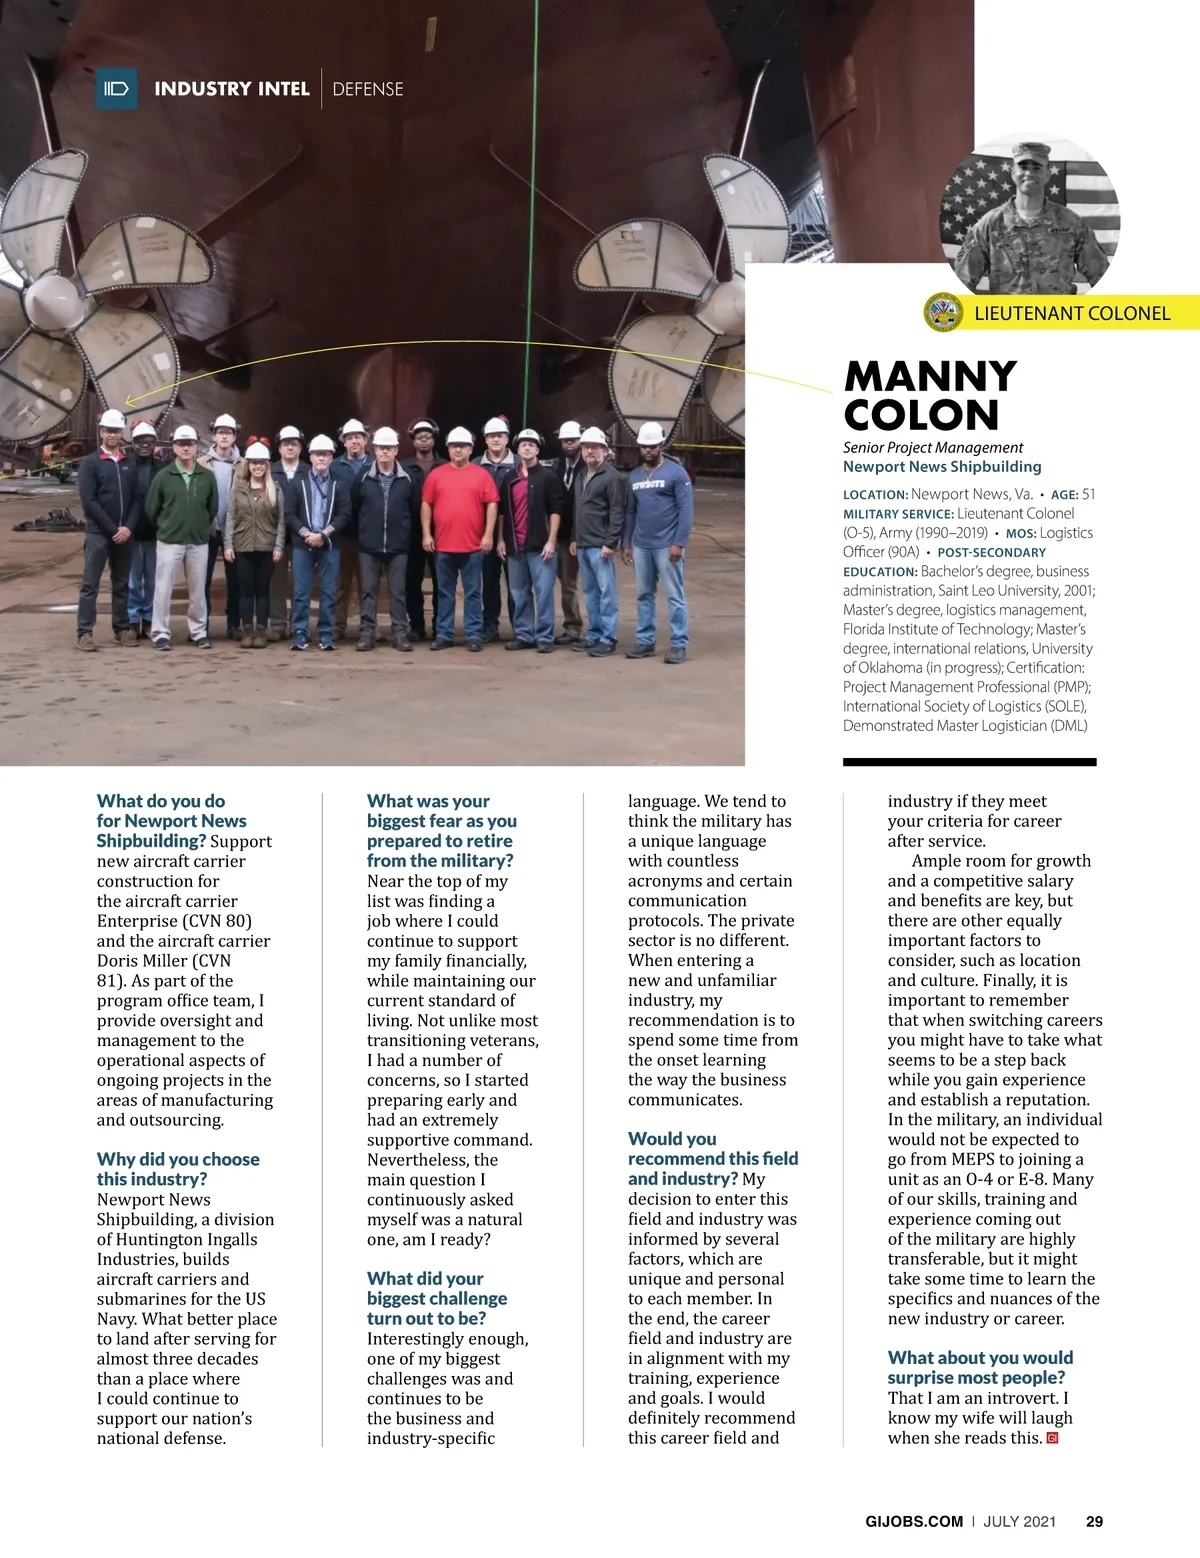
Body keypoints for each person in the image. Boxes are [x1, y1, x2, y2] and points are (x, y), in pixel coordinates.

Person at [953, 141, 1110, 295]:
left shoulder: (1070, 222)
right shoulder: (990, 225)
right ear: (1013, 173)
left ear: (1048, 174)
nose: (1029, 173)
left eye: (1037, 168)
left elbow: (1103, 278)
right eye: (1023, 167)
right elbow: (962, 283)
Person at [621, 420, 694, 664]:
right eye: (644, 446)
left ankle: (679, 644)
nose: (648, 450)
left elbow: (686, 511)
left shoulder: (676, 473)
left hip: (667, 546)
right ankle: (645, 641)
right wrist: (626, 543)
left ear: (661, 445)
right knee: (644, 595)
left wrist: (679, 543)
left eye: (652, 446)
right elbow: (630, 512)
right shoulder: (634, 476)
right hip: (642, 546)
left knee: (674, 596)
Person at [421, 428, 499, 652]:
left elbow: (492, 503)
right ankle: (444, 634)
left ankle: (474, 634)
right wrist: (427, 533)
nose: (458, 450)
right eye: (454, 446)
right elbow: (426, 503)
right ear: (448, 449)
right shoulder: (437, 475)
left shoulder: (481, 474)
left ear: (470, 449)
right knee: (445, 592)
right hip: (443, 545)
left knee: (473, 592)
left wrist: (488, 534)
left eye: (462, 446)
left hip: (473, 546)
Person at [145, 426, 219, 649]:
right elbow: (151, 509)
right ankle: (160, 633)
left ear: (196, 446)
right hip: (169, 541)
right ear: (174, 447)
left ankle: (198, 631)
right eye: (181, 444)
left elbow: (212, 508)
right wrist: (167, 526)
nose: (185, 448)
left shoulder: (207, 477)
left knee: (198, 590)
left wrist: (199, 527)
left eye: (190, 444)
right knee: (163, 589)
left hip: (198, 541)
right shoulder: (163, 477)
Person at [352, 427, 422, 652]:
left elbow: (413, 508)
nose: (385, 452)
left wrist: (403, 532)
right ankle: (367, 633)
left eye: (389, 448)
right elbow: (355, 507)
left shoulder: (408, 478)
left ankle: (400, 633)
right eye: (381, 448)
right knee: (368, 591)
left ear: (396, 450)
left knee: (398, 592)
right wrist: (364, 532)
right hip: (369, 546)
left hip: (398, 545)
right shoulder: (363, 477)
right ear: (375, 449)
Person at [498, 430, 566, 653]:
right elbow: (502, 512)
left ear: (538, 449)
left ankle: (544, 636)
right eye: (523, 444)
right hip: (515, 546)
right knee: (518, 592)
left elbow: (556, 510)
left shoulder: (548, 477)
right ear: (517, 449)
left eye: (531, 444)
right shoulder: (510, 478)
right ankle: (524, 634)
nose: (527, 448)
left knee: (544, 592)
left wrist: (551, 541)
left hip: (541, 546)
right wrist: (501, 539)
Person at [75, 408, 136, 651]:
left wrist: (128, 527)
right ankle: (84, 632)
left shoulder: (128, 463)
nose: (113, 435)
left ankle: (121, 628)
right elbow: (89, 502)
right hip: (99, 534)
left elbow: (137, 499)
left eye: (117, 431)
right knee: (90, 585)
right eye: (109, 430)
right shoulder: (91, 463)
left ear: (122, 433)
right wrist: (113, 529)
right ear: (101, 432)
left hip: (124, 535)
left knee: (121, 584)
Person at [286, 434, 352, 651]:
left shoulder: (339, 484)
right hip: (302, 545)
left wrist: (324, 534)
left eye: (325, 454)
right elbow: (289, 514)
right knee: (301, 592)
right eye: (317, 454)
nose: (321, 458)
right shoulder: (298, 483)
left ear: (332, 457)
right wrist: (307, 534)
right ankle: (300, 633)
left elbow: (344, 514)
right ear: (311, 456)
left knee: (329, 592)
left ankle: (325, 634)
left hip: (329, 545)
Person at [569, 426, 626, 657]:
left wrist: (610, 542)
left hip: (600, 546)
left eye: (595, 447)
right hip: (583, 544)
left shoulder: (612, 477)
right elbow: (578, 509)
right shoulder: (581, 475)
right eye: (586, 447)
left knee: (606, 593)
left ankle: (608, 638)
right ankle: (594, 634)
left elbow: (617, 511)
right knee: (590, 592)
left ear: (604, 450)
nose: (590, 451)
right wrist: (574, 537)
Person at [223, 442, 285, 649]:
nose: (258, 466)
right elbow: (230, 517)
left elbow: (280, 521)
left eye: (261, 463)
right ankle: (247, 630)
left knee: (263, 591)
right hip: (243, 546)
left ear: (266, 465)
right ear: (248, 465)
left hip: (266, 547)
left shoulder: (275, 489)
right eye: (254, 463)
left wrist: (278, 546)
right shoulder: (238, 489)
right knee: (246, 591)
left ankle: (260, 631)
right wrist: (228, 545)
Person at [199, 413, 241, 640]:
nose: (224, 436)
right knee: (202, 579)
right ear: (214, 436)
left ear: (234, 436)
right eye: (220, 432)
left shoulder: (243, 465)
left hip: (234, 531)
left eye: (228, 433)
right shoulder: (202, 463)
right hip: (208, 529)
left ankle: (234, 624)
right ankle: (201, 625)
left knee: (235, 580)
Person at [402, 418, 445, 639]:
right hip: (411, 532)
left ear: (434, 439)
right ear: (414, 441)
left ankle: (440, 625)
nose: (424, 441)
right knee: (412, 581)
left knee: (441, 581)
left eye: (427, 437)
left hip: (441, 531)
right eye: (420, 437)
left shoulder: (445, 466)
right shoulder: (404, 467)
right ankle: (416, 625)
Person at [474, 415, 516, 641]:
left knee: (516, 582)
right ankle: (490, 625)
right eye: (491, 436)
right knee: (489, 580)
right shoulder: (475, 465)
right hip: (484, 533)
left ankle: (520, 626)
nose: (496, 440)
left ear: (507, 438)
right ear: (485, 440)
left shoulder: (519, 463)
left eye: (499, 436)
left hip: (515, 533)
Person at [267, 425, 308, 639]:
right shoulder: (269, 471)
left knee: (301, 582)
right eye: (286, 444)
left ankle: (298, 624)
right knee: (277, 581)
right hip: (276, 536)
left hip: (302, 535)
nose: (290, 448)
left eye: (294, 444)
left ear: (301, 448)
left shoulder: (309, 471)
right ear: (279, 448)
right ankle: (277, 624)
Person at [125, 422, 165, 639]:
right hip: (129, 533)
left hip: (154, 533)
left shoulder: (162, 469)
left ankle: (149, 620)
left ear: (154, 444)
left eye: (149, 443)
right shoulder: (123, 465)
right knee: (132, 581)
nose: (144, 446)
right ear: (133, 443)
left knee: (152, 580)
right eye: (140, 442)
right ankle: (132, 619)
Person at [332, 417, 369, 641]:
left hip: (369, 535)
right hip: (342, 535)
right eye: (350, 438)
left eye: (358, 437)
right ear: (343, 442)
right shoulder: (335, 466)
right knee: (341, 584)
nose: (354, 441)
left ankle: (368, 626)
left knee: (368, 585)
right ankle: (338, 626)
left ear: (366, 440)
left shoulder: (375, 463)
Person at [548, 419, 585, 644]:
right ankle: (570, 627)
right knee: (564, 584)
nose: (569, 443)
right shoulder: (556, 468)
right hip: (558, 536)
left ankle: (590, 630)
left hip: (581, 536)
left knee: (584, 585)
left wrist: (576, 536)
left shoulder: (588, 468)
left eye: (573, 440)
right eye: (565, 440)